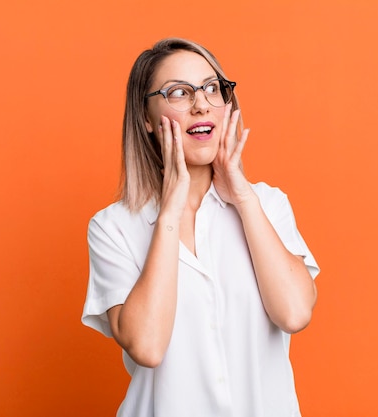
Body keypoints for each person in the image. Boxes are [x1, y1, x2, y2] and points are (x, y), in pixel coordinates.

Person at [81, 37, 319, 417]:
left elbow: (293, 313)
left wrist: (242, 198)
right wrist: (171, 213)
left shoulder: (267, 204)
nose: (201, 104)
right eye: (179, 92)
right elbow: (148, 346)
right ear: (145, 117)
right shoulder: (113, 227)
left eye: (212, 88)